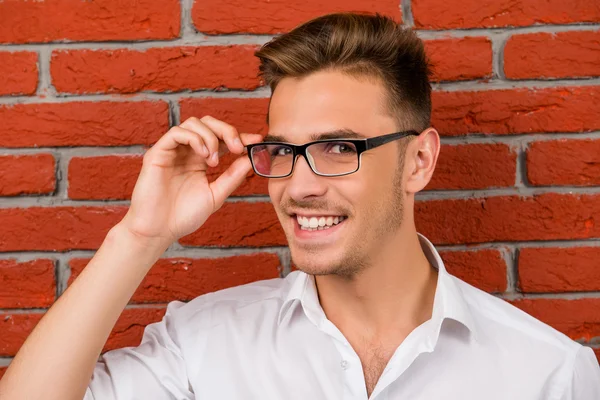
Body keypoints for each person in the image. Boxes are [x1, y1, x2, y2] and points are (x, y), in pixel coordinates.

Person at [1, 12, 599, 400]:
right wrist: (140, 235)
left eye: (339, 148)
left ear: (418, 162)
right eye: (283, 150)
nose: (300, 187)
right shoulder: (204, 343)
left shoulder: (550, 373)